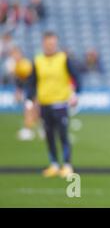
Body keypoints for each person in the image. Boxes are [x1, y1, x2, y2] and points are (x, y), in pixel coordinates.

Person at [25, 32, 81, 178]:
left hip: (61, 103)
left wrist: (76, 93)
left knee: (62, 134)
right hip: (44, 104)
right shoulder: (38, 60)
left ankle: (67, 165)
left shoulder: (63, 58)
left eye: (53, 43)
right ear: (43, 44)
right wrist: (30, 99)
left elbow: (76, 76)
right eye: (48, 43)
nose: (50, 46)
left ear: (56, 43)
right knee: (49, 135)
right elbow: (31, 81)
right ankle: (54, 164)